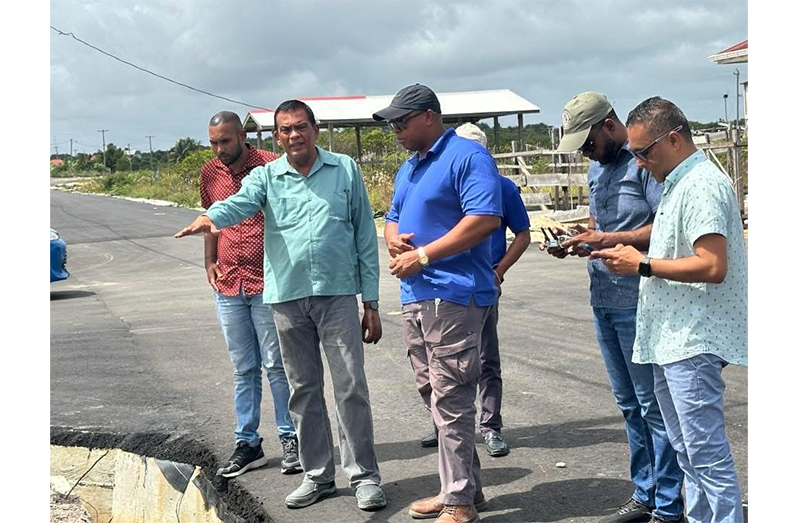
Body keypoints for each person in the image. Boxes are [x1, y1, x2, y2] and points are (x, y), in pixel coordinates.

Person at [176, 100, 387, 512]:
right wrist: (210, 218)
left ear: (315, 129)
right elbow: (239, 203)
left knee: (350, 388)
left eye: (301, 127)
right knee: (303, 390)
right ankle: (318, 475)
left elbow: (364, 234)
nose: (294, 135)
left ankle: (364, 476)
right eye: (286, 129)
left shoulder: (344, 169)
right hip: (287, 299)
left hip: (338, 294)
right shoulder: (267, 176)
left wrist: (371, 301)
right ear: (277, 136)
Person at [593, 96, 747, 523]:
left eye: (645, 152)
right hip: (672, 337)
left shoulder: (702, 184)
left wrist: (641, 264)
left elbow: (713, 265)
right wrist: (623, 249)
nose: (639, 162)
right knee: (688, 454)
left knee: (705, 456)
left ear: (674, 139)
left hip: (692, 339)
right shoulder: (679, 182)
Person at [546, 92, 685, 523]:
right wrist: (581, 237)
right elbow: (603, 227)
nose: (586, 152)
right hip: (603, 299)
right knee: (628, 405)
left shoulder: (643, 163)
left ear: (609, 126)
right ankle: (644, 493)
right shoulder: (596, 169)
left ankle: (668, 504)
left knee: (652, 406)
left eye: (587, 142)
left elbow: (666, 225)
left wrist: (607, 240)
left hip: (638, 302)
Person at [375, 84, 502, 523]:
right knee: (433, 394)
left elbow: (485, 218)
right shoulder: (410, 168)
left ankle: (460, 503)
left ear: (429, 116)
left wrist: (425, 254)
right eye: (392, 123)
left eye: (401, 122)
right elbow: (392, 215)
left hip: (453, 293)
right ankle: (463, 488)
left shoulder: (468, 157)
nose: (395, 130)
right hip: (416, 294)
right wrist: (394, 238)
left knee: (451, 396)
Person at [199, 111, 300, 478]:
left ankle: (292, 438)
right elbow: (211, 217)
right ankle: (249, 443)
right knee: (243, 368)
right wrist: (209, 259)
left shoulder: (271, 166)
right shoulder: (210, 173)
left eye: (225, 140)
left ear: (242, 135)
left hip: (267, 282)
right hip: (228, 283)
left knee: (276, 365)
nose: (219, 149)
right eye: (213, 142)